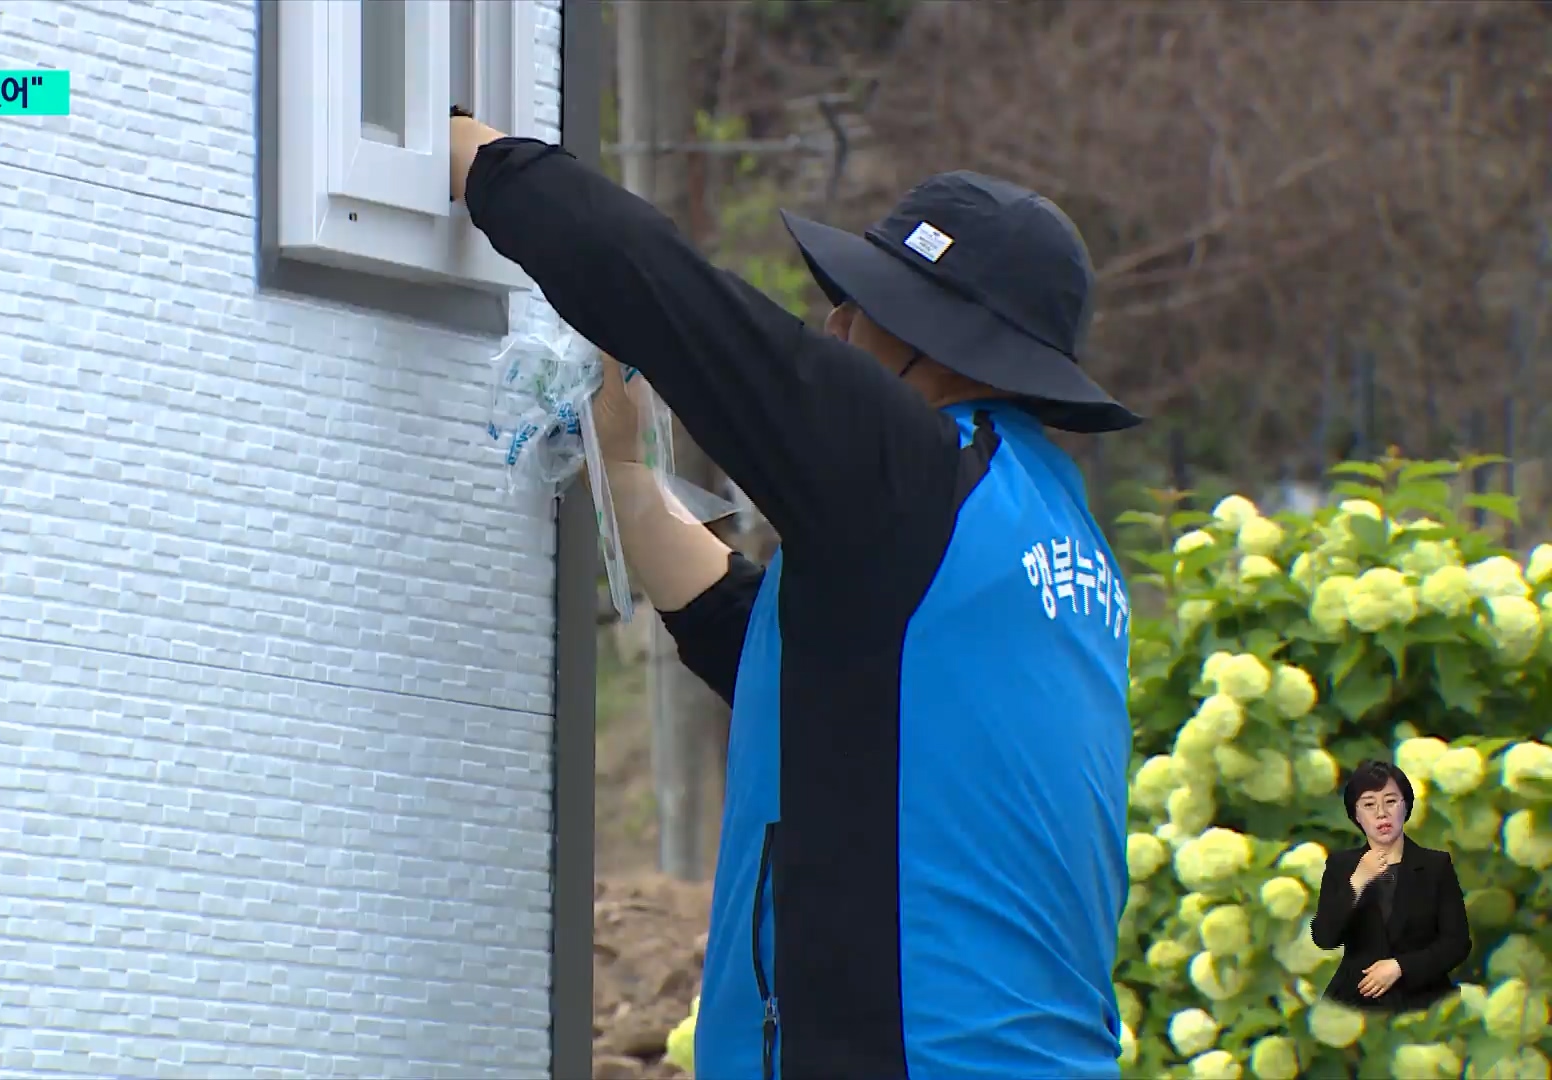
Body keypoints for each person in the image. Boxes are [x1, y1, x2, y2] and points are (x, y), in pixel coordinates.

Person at [452, 111, 1138, 1079]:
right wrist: (627, 480)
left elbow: (672, 299)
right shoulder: (1044, 528)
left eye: (861, 305)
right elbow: (812, 684)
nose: (835, 326)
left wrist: (477, 158)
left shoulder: (910, 470)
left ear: (940, 345)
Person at [1309, 760, 1470, 1013]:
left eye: (1391, 801)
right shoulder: (1342, 865)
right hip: (1357, 1003)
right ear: (1356, 815)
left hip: (1423, 1001)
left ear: (1406, 806)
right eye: (1369, 805)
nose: (1381, 813)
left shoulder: (1435, 866)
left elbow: (1456, 943)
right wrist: (1357, 881)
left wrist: (1400, 966)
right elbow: (1324, 937)